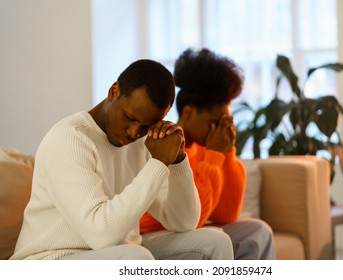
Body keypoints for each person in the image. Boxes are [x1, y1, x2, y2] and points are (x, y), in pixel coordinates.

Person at [10, 59, 234, 260]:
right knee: (135, 257)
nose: (134, 132)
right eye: (129, 117)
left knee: (215, 242)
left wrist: (177, 160)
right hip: (49, 260)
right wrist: (157, 164)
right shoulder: (70, 139)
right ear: (113, 92)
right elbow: (100, 234)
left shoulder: (143, 142)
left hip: (116, 252)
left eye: (145, 126)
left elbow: (184, 221)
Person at [140, 48, 275, 260]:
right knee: (216, 238)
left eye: (225, 122)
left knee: (258, 232)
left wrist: (227, 152)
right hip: (155, 235)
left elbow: (226, 214)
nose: (219, 130)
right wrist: (214, 156)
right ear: (189, 112)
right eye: (214, 123)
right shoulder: (163, 144)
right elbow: (193, 219)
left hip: (189, 233)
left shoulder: (209, 148)